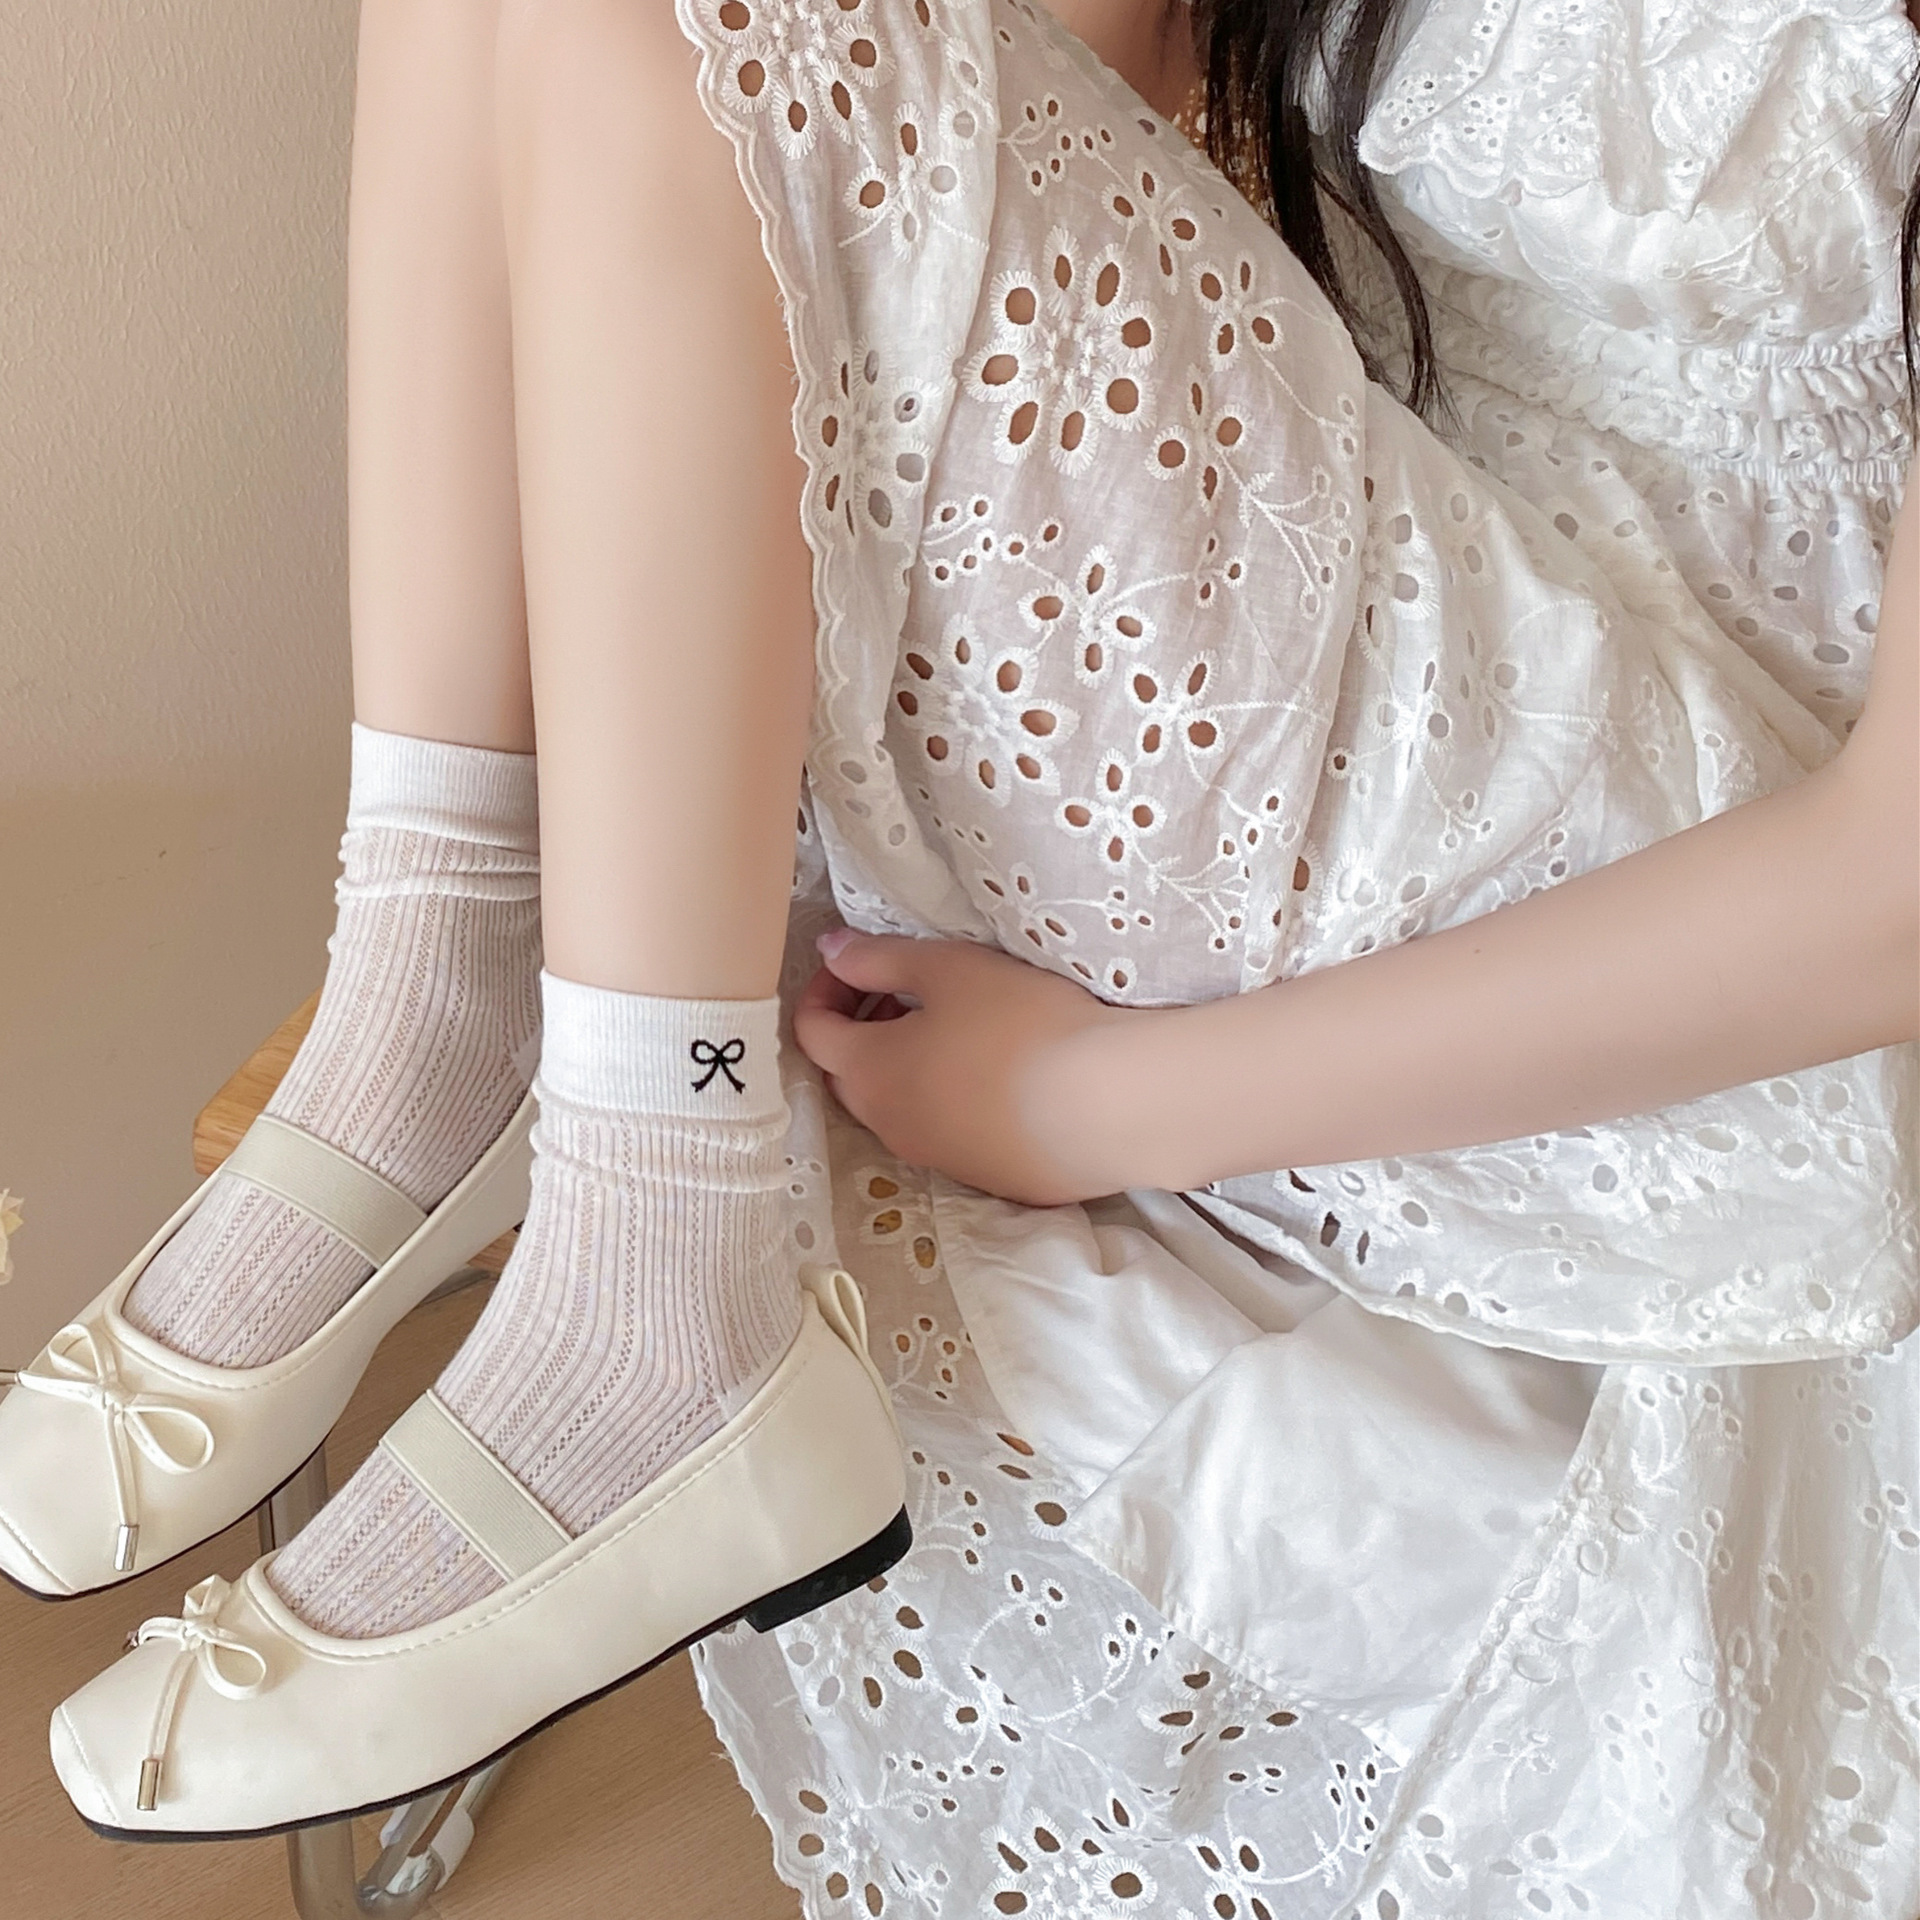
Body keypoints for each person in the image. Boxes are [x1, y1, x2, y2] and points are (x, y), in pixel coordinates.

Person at [4, 0, 1912, 1908]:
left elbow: (1886, 891)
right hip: (1378, 556)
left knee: (650, 37)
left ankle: (662, 1263)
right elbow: (1104, 89)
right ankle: (439, 978)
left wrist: (1100, 1102)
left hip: (1694, 845)